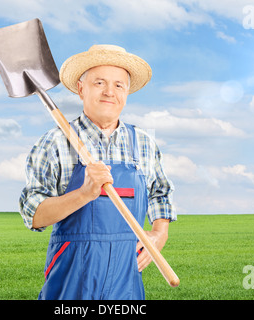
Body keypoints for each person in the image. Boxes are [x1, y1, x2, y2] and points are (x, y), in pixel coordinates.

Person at [19, 44, 176, 300]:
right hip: (72, 283)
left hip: (126, 282)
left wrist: (159, 233)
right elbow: (33, 216)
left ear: (127, 92)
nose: (109, 92)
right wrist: (84, 193)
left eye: (118, 85)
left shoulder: (144, 143)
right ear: (81, 89)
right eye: (99, 83)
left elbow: (161, 193)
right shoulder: (55, 142)